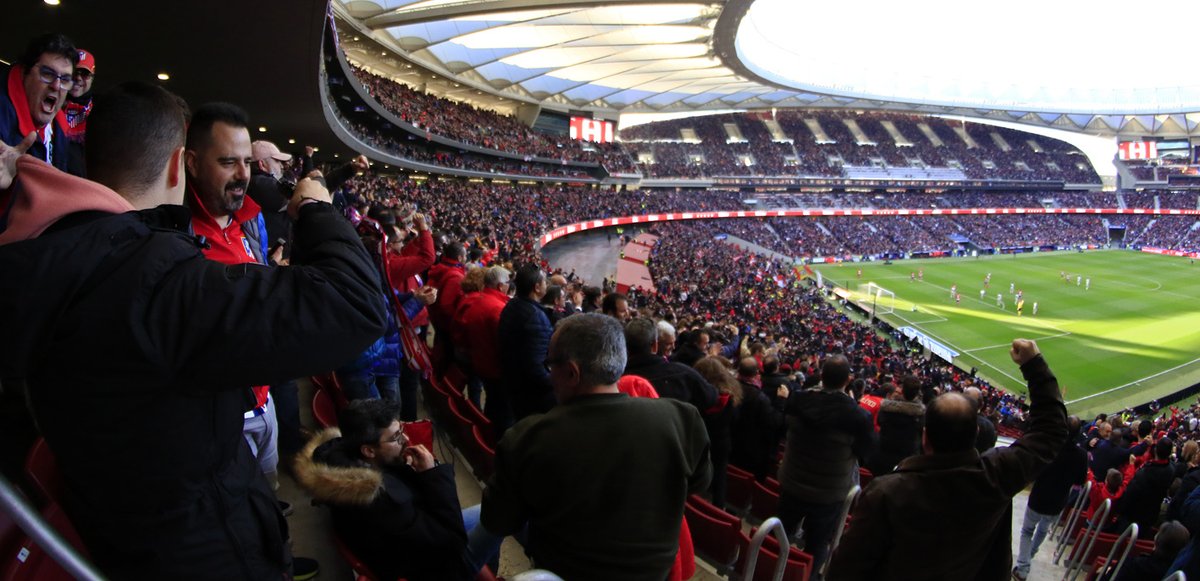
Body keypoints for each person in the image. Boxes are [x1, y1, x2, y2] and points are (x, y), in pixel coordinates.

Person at [0, 81, 387, 579]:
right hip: (203, 548)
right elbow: (355, 304)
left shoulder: (60, 254)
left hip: (139, 530)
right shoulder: (152, 279)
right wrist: (317, 208)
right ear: (178, 163)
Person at [481, 313, 712, 581]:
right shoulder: (683, 419)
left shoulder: (527, 437)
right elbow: (698, 484)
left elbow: (496, 520)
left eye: (550, 365)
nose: (549, 373)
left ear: (571, 372)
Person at [827, 339, 1069, 580]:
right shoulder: (997, 475)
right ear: (975, 434)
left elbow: (845, 569)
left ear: (925, 437)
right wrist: (1034, 365)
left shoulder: (886, 492)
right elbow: (1051, 431)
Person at [294, 399, 499, 581]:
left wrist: (407, 468)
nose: (406, 440)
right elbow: (452, 541)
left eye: (401, 431)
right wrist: (433, 473)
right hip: (436, 567)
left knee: (497, 507)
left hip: (420, 533)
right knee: (503, 516)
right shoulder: (383, 501)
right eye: (395, 437)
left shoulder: (342, 459)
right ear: (369, 450)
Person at [777, 354, 877, 576]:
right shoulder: (858, 416)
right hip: (829, 493)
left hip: (792, 480)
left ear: (821, 375)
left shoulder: (797, 399)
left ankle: (772, 570)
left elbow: (785, 430)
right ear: (848, 380)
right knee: (817, 544)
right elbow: (866, 452)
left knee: (780, 533)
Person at [1013, 416, 1087, 581]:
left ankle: (1024, 565)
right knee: (1041, 531)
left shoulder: (1049, 446)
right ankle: (1026, 559)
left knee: (1028, 530)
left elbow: (1034, 468)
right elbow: (1079, 481)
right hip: (1057, 502)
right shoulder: (1081, 455)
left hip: (1039, 496)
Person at [0, 33, 79, 174]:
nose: (56, 86)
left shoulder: (63, 131)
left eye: (65, 79)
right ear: (25, 72)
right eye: (48, 74)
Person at [498, 263, 555, 427]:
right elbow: (536, 367)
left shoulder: (512, 305)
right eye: (545, 282)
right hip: (528, 393)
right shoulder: (535, 317)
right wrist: (556, 383)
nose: (547, 285)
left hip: (512, 382)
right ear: (537, 287)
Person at [622, 318, 717, 413]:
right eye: (668, 344)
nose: (673, 347)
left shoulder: (613, 381)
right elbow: (711, 397)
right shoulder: (683, 373)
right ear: (656, 345)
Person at [62, 48, 94, 176]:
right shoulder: (51, 103)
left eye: (84, 74)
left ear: (92, 77)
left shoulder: (99, 109)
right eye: (74, 72)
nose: (78, 78)